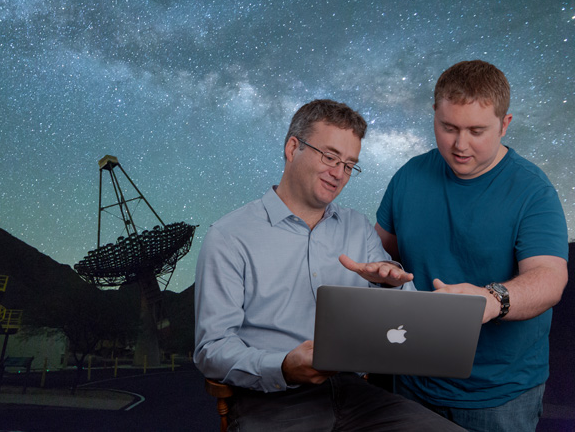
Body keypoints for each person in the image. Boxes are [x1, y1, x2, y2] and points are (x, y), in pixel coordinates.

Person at [194, 99, 464, 431]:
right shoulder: (228, 236)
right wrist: (283, 366)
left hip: (355, 393)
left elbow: (407, 323)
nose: (339, 174)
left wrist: (390, 286)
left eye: (350, 165)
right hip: (272, 398)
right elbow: (213, 348)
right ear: (293, 148)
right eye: (330, 156)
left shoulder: (358, 228)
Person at [375, 60, 569, 432]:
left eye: (477, 131)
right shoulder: (408, 177)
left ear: (505, 124)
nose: (460, 145)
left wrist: (490, 300)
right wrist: (380, 269)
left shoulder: (533, 190)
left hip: (499, 395)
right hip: (412, 381)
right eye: (448, 128)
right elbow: (382, 252)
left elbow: (549, 278)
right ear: (434, 114)